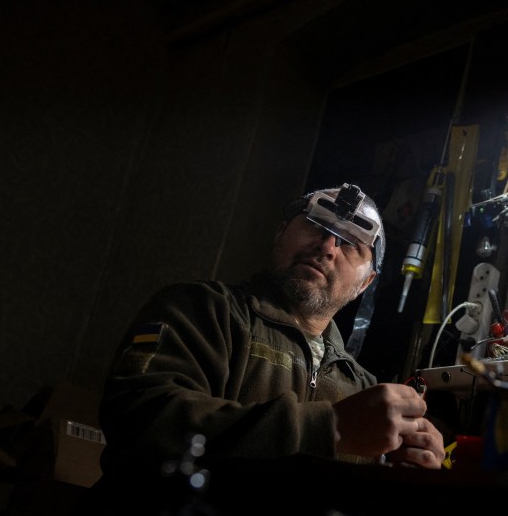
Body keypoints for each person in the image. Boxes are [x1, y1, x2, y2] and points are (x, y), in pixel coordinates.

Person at [96, 183, 446, 485]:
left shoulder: (364, 390)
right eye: (314, 224)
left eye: (351, 243)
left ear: (365, 284)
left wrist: (407, 476)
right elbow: (140, 419)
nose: (326, 246)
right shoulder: (203, 310)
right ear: (280, 232)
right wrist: (331, 428)